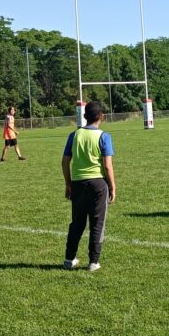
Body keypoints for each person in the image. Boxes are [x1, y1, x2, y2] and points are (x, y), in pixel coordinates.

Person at [62, 101, 116, 272]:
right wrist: (113, 187)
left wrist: (68, 183)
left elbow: (65, 162)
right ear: (102, 117)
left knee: (77, 223)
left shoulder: (74, 135)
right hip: (98, 183)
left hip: (78, 183)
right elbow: (107, 166)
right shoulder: (104, 136)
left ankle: (69, 259)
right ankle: (93, 261)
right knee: (97, 223)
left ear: (84, 116)